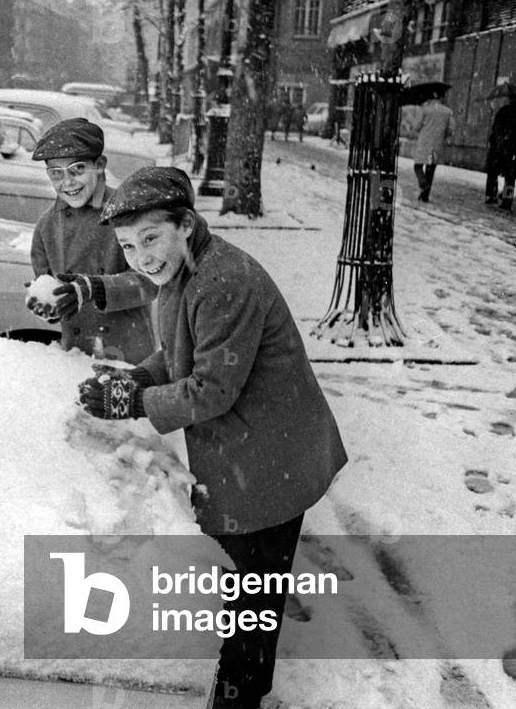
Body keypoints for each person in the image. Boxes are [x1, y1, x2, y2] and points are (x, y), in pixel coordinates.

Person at [77, 167, 347, 709]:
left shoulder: (221, 281)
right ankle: (243, 683)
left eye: (150, 239)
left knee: (252, 600)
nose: (141, 258)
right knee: (250, 591)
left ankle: (238, 697)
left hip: (271, 458)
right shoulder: (182, 272)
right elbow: (180, 353)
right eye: (128, 246)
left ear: (185, 223)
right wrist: (139, 378)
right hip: (248, 453)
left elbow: (210, 389)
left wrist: (131, 402)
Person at [27, 118, 157, 364]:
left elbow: (150, 282)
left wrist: (93, 289)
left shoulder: (129, 214)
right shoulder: (47, 226)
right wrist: (49, 304)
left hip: (128, 354)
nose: (68, 182)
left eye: (77, 169)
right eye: (56, 173)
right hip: (77, 356)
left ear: (99, 165)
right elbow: (49, 284)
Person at [411, 90, 454, 202]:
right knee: (431, 169)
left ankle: (423, 184)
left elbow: (416, 126)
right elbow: (451, 129)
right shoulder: (448, 111)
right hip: (437, 144)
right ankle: (425, 196)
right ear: (440, 98)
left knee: (418, 166)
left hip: (424, 143)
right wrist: (443, 135)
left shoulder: (424, 110)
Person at [484, 94, 516, 210]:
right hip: (515, 150)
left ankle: (491, 195)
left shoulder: (504, 110)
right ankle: (507, 200)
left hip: (500, 147)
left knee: (493, 172)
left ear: (510, 98)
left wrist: (493, 142)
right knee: (510, 176)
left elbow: (495, 129)